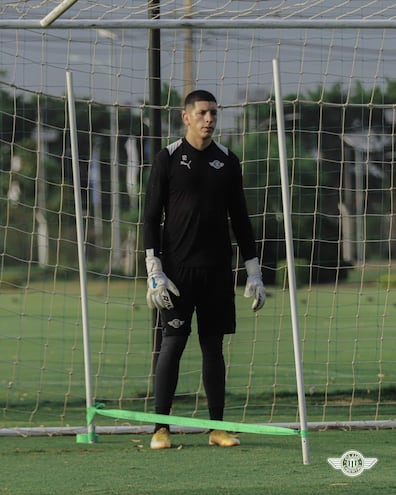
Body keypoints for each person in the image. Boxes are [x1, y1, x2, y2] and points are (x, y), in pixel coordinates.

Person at [144, 89, 266, 449]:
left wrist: (253, 271)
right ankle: (160, 428)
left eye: (214, 113)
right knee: (173, 345)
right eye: (202, 113)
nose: (209, 119)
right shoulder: (167, 159)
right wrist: (154, 268)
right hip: (177, 273)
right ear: (186, 117)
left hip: (216, 272)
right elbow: (151, 218)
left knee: (214, 348)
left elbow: (241, 220)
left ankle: (218, 428)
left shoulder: (228, 161)